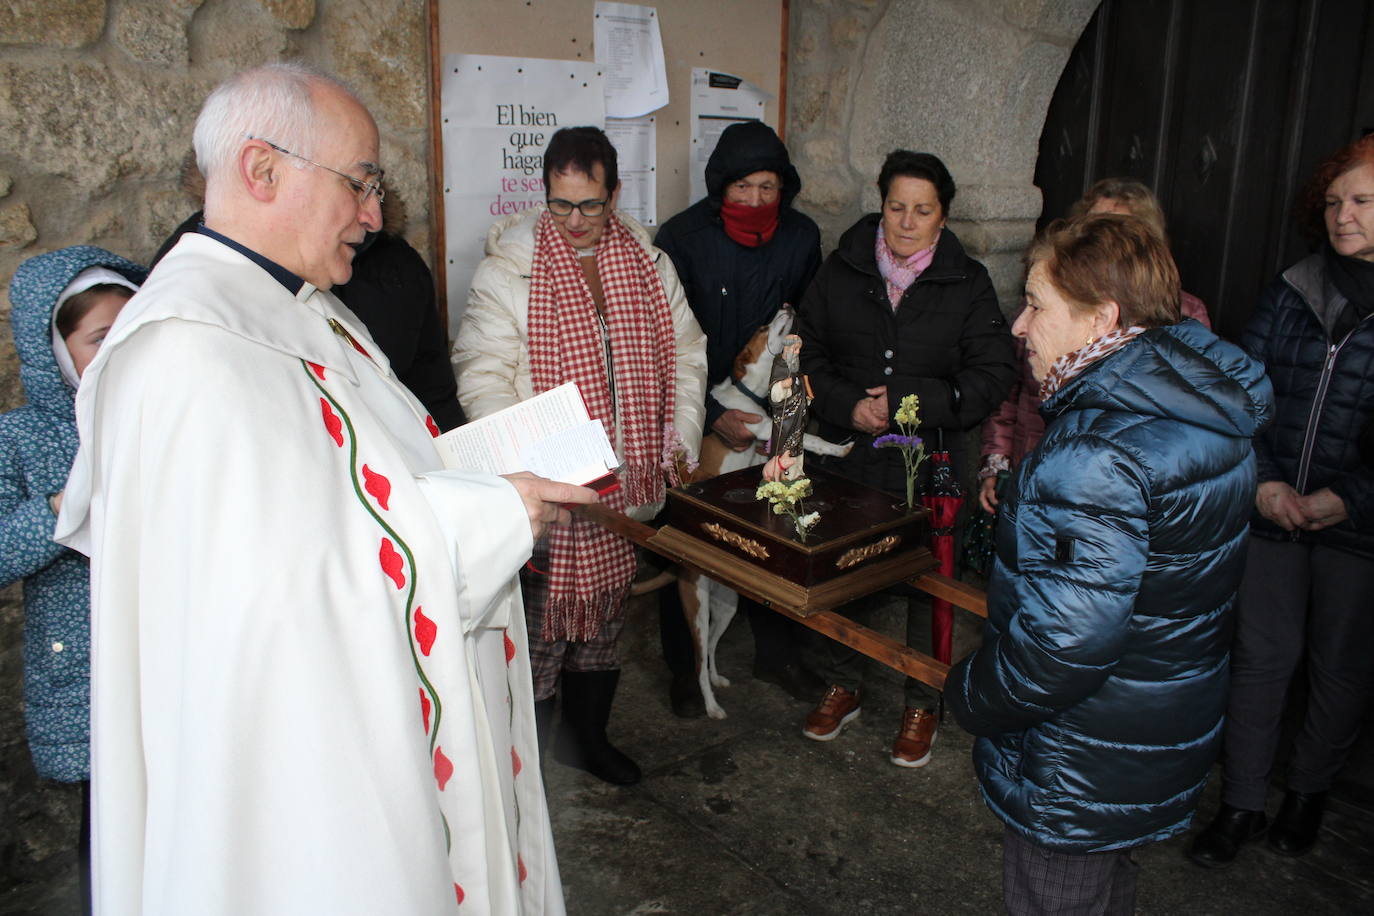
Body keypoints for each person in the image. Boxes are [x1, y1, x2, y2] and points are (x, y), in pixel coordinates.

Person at [54, 62, 591, 915]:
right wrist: (488, 520)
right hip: (297, 797)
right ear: (262, 170)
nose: (374, 216)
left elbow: (359, 484)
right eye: (359, 182)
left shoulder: (304, 309)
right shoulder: (181, 358)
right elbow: (272, 603)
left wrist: (483, 479)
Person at [945, 213, 1272, 914]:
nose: (1019, 327)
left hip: (1079, 758)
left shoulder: (1095, 455)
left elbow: (1062, 649)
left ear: (1103, 317)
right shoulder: (1202, 413)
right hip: (1150, 732)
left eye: (1037, 305)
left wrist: (970, 694)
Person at [454, 127, 707, 785]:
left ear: (614, 194)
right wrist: (530, 459)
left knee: (603, 626)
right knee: (539, 635)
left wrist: (676, 443)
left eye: (589, 205)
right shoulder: (511, 268)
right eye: (560, 204)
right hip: (552, 488)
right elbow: (481, 370)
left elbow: (686, 355)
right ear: (544, 195)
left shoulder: (649, 263)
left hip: (626, 480)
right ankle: (527, 771)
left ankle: (584, 742)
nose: (573, 221)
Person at [794, 149, 1016, 767]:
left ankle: (923, 698)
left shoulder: (965, 282)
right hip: (850, 454)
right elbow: (804, 352)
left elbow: (993, 373)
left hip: (929, 460)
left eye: (923, 210)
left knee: (928, 585)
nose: (908, 222)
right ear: (881, 204)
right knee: (842, 573)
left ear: (943, 216)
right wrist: (844, 405)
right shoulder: (840, 270)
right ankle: (845, 680)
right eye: (897, 207)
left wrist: (909, 402)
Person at [1188, 135, 1374, 868]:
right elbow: (1241, 396)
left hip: (1355, 527)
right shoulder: (1293, 287)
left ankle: (1308, 794)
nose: (1342, 215)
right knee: (1262, 658)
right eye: (1333, 201)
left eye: (1361, 201)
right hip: (1272, 512)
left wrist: (1348, 499)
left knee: (1340, 666)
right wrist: (1262, 481)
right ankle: (1242, 803)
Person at [653, 120, 824, 714]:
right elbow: (662, 339)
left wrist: (785, 405)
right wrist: (709, 411)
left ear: (785, 189)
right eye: (742, 186)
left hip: (770, 414)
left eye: (768, 187)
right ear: (720, 185)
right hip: (701, 415)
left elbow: (804, 325)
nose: (754, 199)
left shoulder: (802, 237)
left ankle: (778, 655)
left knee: (776, 530)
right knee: (693, 539)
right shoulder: (681, 237)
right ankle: (684, 667)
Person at [3, 246, 144, 910]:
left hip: (163, 658)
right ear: (55, 350)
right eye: (97, 338)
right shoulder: (21, 440)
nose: (117, 350)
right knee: (109, 831)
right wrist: (62, 508)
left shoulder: (157, 422)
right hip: (84, 672)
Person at [152, 172, 465, 431]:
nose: (374, 217)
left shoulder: (397, 263)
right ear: (266, 175)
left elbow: (432, 389)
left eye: (374, 190)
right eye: (355, 186)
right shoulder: (192, 279)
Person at [977, 177, 1212, 514]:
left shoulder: (1109, 444)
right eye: (1092, 226)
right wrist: (998, 462)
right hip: (1034, 462)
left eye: (1116, 229)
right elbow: (1009, 391)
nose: (1019, 327)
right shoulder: (1095, 401)